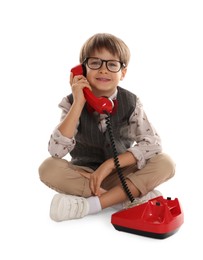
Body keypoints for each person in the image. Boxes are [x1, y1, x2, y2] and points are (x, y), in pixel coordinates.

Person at [38, 33, 175, 222]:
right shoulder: (71, 103)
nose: (103, 70)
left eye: (112, 64)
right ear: (82, 70)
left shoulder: (131, 102)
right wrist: (79, 102)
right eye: (95, 63)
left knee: (165, 163)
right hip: (86, 176)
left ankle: (92, 205)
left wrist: (109, 164)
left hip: (120, 172)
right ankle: (124, 197)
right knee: (48, 168)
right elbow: (55, 151)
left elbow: (153, 144)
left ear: (123, 73)